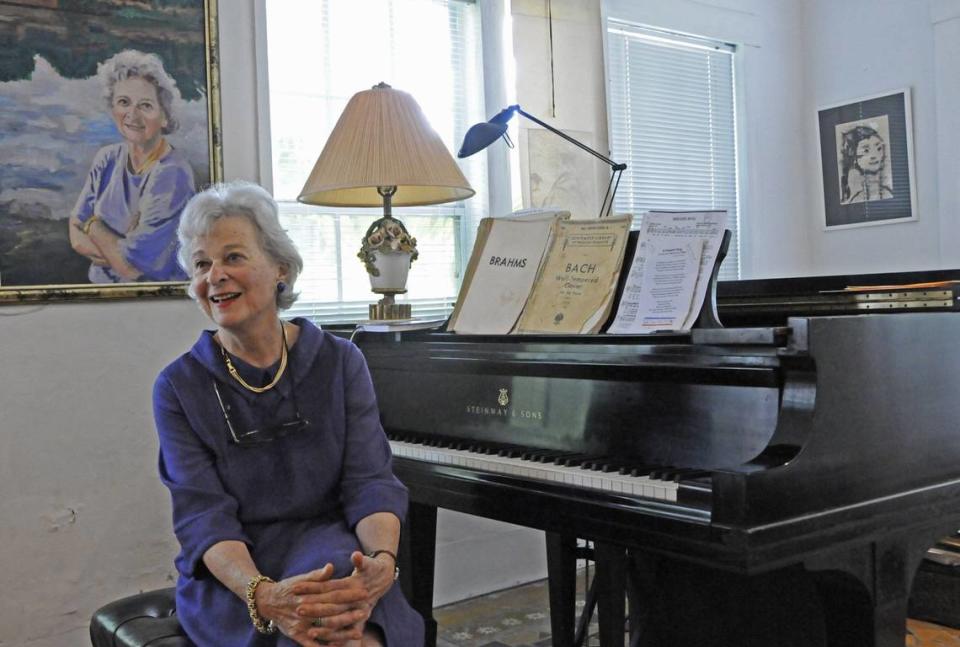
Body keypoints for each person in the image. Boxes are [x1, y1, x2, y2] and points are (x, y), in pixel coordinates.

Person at [153, 181, 423, 646]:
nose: (214, 275)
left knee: (340, 606)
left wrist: (381, 562)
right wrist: (266, 596)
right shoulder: (179, 387)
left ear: (280, 268)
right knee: (336, 628)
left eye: (233, 257)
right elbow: (204, 519)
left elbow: (369, 480)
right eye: (202, 263)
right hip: (236, 574)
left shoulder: (340, 362)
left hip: (331, 552)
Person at [68, 49, 195, 282]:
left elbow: (134, 268)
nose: (132, 116)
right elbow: (75, 232)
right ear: (113, 107)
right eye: (123, 102)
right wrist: (118, 249)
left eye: (145, 106)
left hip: (150, 300)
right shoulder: (107, 158)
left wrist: (94, 226)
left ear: (164, 116)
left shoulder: (172, 173)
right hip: (98, 291)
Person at [839, 124, 894, 205]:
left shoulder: (888, 193)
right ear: (854, 157)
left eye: (878, 148)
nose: (874, 155)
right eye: (866, 151)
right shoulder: (855, 200)